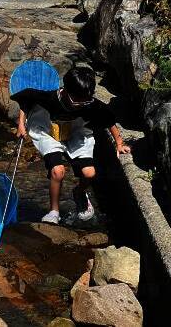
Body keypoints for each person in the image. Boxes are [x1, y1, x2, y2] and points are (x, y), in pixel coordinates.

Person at [10, 66, 131, 224]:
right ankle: (54, 211)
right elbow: (25, 101)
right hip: (48, 131)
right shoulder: (49, 98)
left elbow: (108, 120)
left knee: (89, 173)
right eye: (77, 100)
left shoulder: (89, 103)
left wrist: (119, 143)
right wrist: (21, 124)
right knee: (58, 171)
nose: (80, 104)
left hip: (75, 133)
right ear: (65, 91)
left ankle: (79, 192)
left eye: (85, 100)